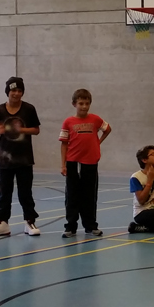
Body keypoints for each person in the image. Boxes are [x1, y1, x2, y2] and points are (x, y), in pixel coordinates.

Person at [0, 77, 42, 238]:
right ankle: (2, 223)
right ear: (8, 92)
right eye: (13, 90)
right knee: (4, 193)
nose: (16, 93)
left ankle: (29, 222)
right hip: (5, 160)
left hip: (24, 159)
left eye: (19, 90)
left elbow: (36, 130)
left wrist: (19, 129)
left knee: (25, 193)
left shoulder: (29, 109)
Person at [60, 89, 111, 238]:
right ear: (74, 104)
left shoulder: (95, 119)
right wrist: (63, 164)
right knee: (72, 195)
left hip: (90, 162)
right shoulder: (68, 122)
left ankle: (91, 225)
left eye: (87, 103)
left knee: (89, 194)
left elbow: (107, 129)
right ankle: (71, 226)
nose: (84, 106)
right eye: (81, 103)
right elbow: (64, 144)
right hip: (73, 162)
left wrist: (97, 143)